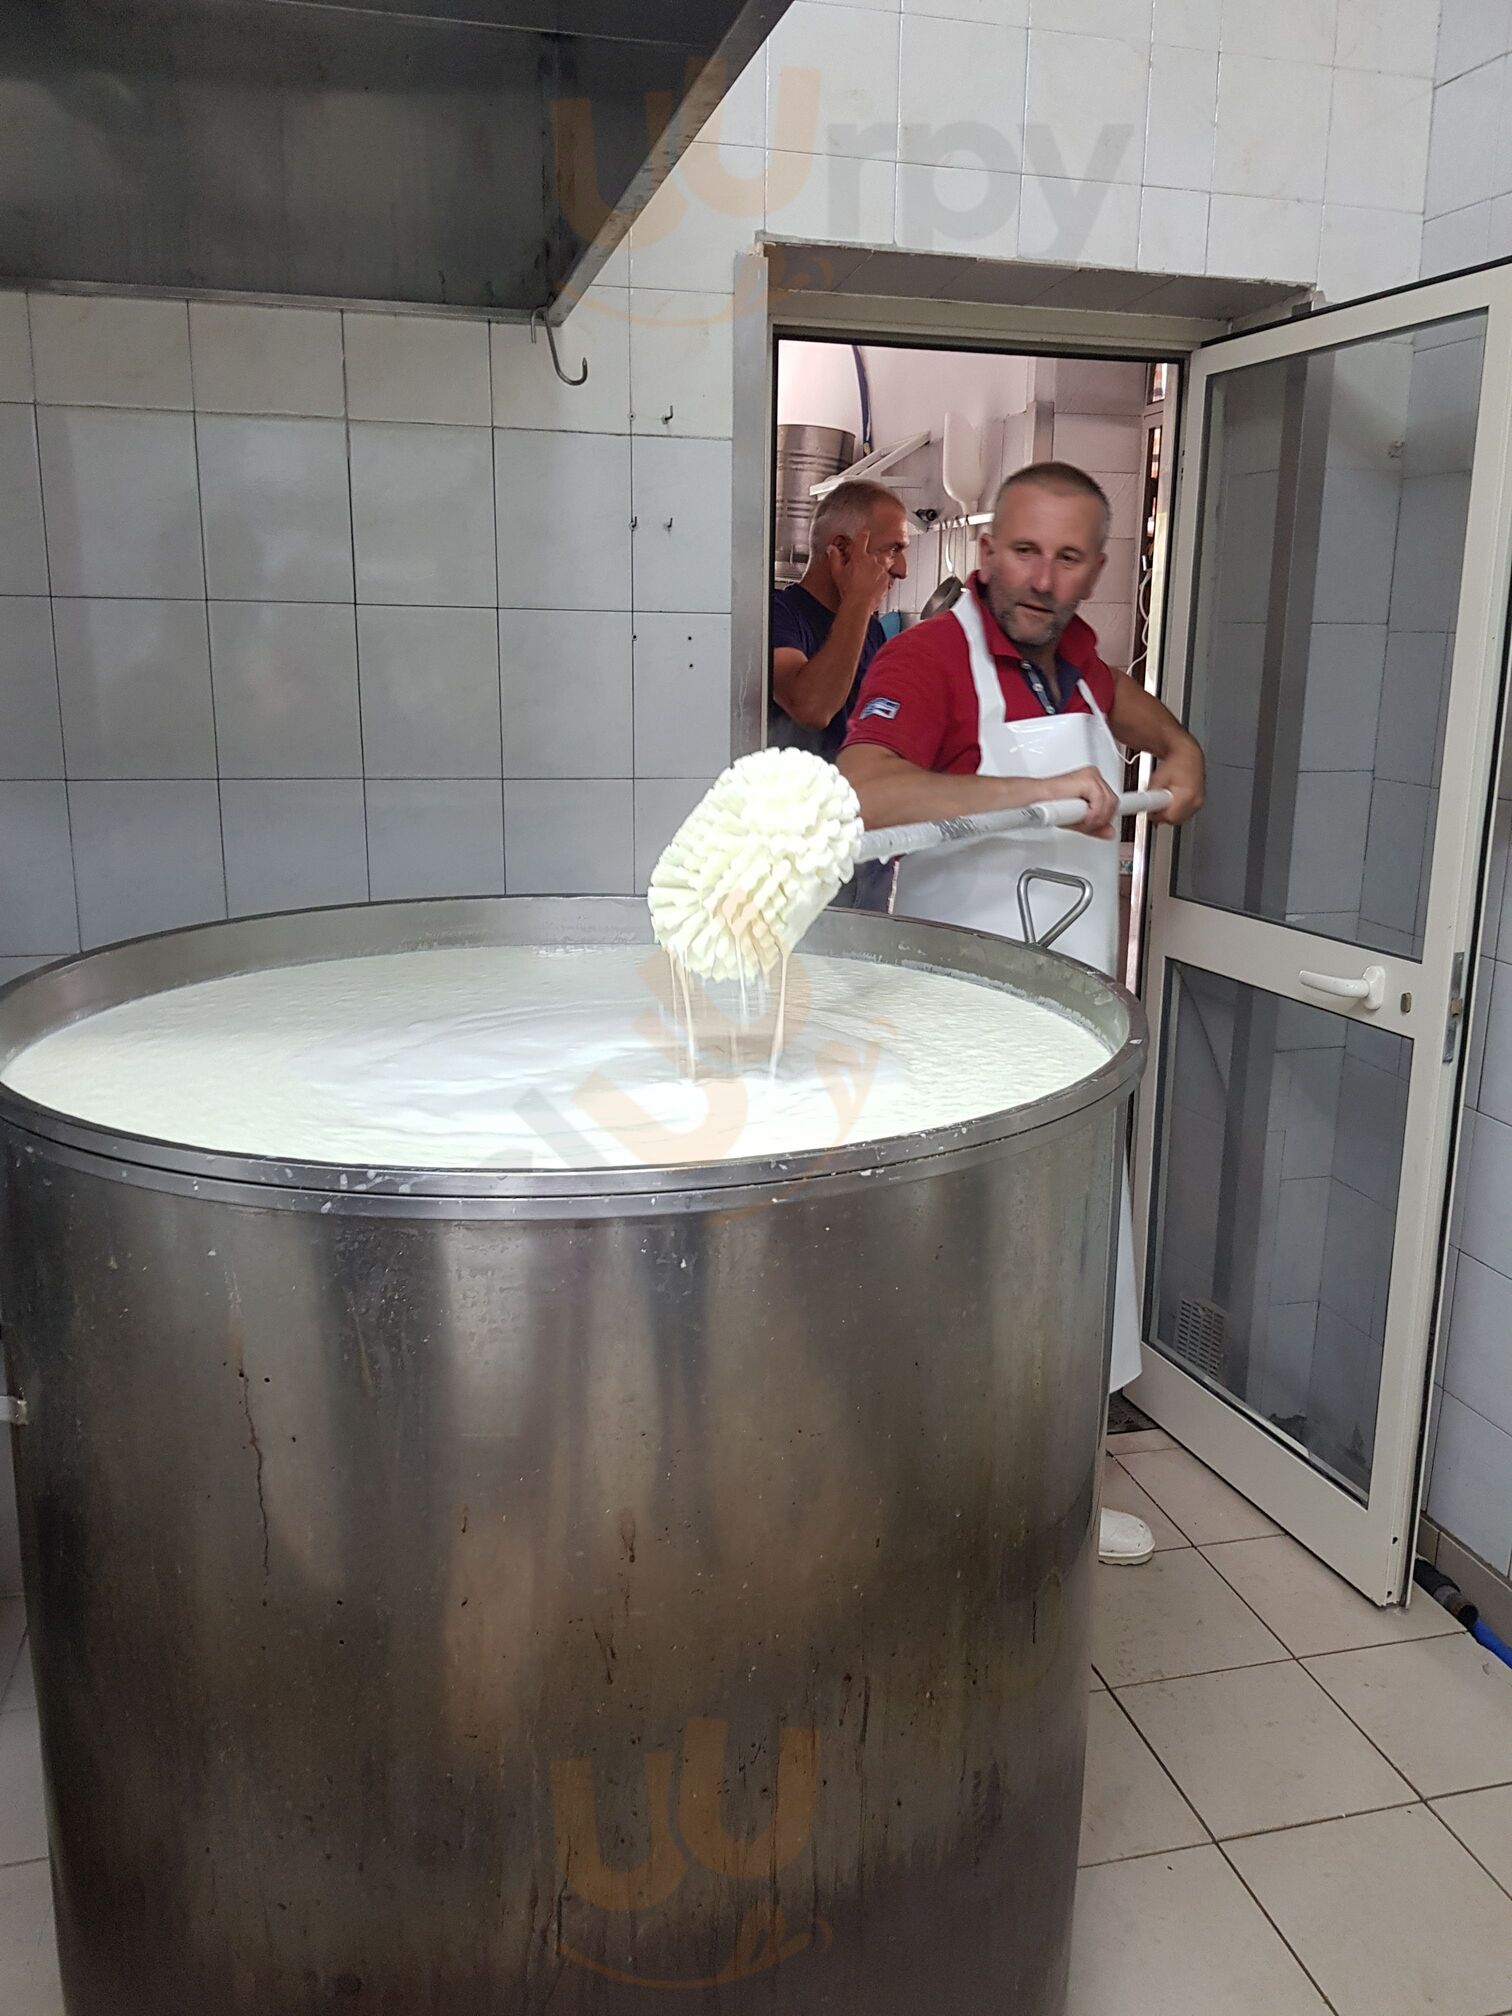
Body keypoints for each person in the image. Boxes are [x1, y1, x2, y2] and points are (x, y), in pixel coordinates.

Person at [839, 461, 1205, 1567]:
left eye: (1069, 557)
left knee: (1069, 1257)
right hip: (960, 1039)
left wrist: (1180, 755)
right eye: (1025, 552)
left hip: (1070, 1030)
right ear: (989, 551)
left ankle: (1060, 1504)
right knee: (957, 1276)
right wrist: (1031, 797)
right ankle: (928, 1513)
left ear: (1098, 567)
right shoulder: (931, 658)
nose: (1041, 580)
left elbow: (1141, 717)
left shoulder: (1078, 662)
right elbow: (860, 788)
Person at [769, 479, 911, 764]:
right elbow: (812, 709)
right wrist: (858, 601)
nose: (902, 569)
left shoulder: (870, 630)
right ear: (842, 549)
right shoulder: (776, 614)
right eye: (892, 550)